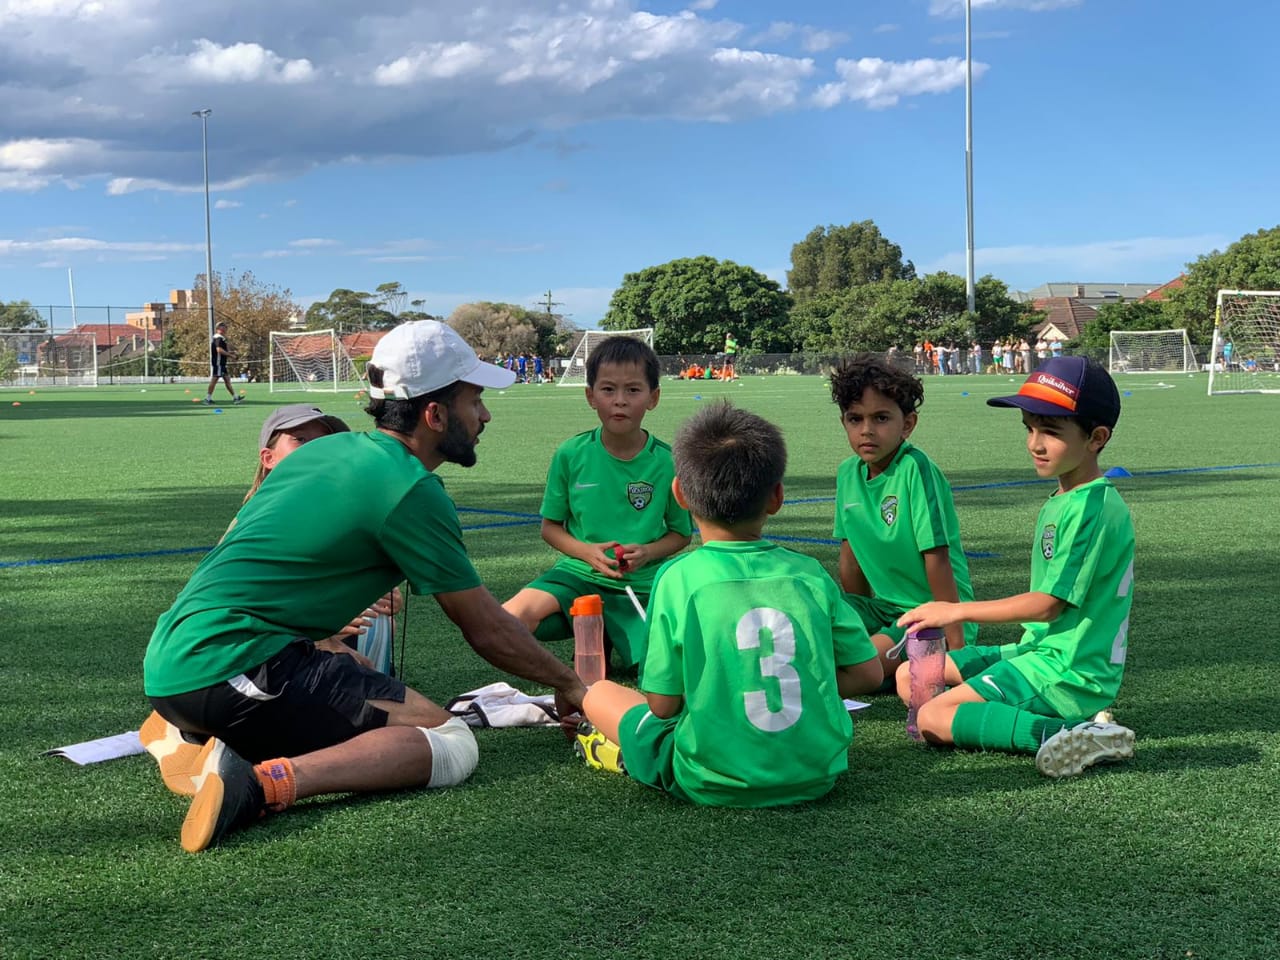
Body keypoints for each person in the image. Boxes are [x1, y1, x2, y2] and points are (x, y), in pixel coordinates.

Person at [143, 320, 587, 852]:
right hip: (232, 667)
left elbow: (252, 562)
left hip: (177, 659)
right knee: (447, 741)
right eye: (475, 401)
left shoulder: (318, 453)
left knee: (348, 678)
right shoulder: (410, 490)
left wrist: (322, 646)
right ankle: (263, 785)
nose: (485, 416)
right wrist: (571, 683)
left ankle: (186, 733)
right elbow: (486, 629)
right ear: (435, 413)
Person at [580, 401, 882, 806]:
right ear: (776, 497)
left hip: (709, 780)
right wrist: (802, 684)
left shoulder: (678, 578)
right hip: (817, 775)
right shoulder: (809, 573)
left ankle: (623, 755)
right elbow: (868, 674)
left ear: (680, 495)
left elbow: (663, 705)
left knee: (600, 693)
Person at [896, 356, 1136, 779]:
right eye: (1029, 428)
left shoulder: (1091, 507)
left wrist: (955, 610)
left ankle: (1066, 732)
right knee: (909, 675)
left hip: (1067, 672)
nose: (1035, 443)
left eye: (1051, 432)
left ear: (1096, 438)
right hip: (1037, 652)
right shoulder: (1066, 498)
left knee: (933, 717)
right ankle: (1008, 713)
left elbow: (1047, 606)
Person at [503, 336, 693, 673]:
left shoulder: (668, 462)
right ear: (591, 396)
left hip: (641, 585)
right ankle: (579, 651)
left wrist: (647, 553)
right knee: (510, 619)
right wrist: (586, 552)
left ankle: (603, 632)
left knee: (664, 669)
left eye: (633, 390)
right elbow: (550, 528)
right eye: (608, 390)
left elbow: (681, 534)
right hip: (578, 575)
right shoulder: (570, 455)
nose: (620, 401)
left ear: (654, 398)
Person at [830, 354, 976, 682]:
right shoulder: (847, 474)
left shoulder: (915, 470)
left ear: (907, 424)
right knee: (808, 621)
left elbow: (937, 558)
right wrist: (855, 621)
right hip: (883, 610)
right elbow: (850, 561)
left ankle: (799, 695)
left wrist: (956, 644)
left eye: (881, 418)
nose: (867, 430)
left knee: (858, 667)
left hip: (930, 616)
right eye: (855, 419)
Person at [204, 322, 242, 405]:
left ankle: (235, 397)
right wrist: (231, 356)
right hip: (218, 363)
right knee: (214, 380)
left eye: (225, 328)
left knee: (227, 380)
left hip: (221, 363)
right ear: (219, 329)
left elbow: (221, 350)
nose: (225, 329)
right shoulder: (218, 338)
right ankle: (207, 399)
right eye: (223, 327)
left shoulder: (220, 338)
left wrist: (231, 352)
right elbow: (219, 350)